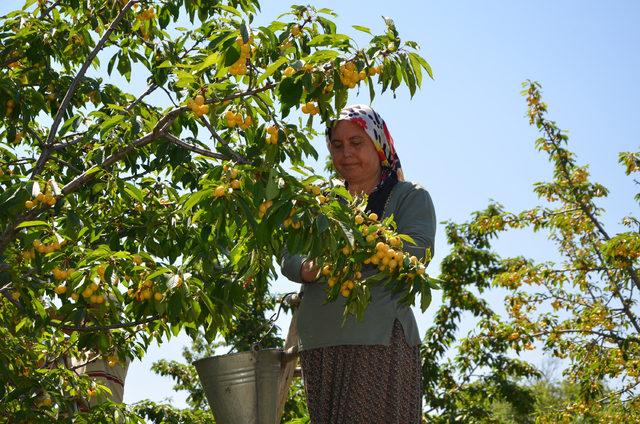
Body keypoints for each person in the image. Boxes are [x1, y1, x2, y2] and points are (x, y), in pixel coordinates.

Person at [280, 104, 436, 424]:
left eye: (356, 142)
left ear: (378, 145)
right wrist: (313, 266)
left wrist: (354, 248)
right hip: (321, 343)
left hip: (378, 340)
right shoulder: (319, 202)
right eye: (337, 145)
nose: (346, 153)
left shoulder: (409, 197)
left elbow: (416, 253)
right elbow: (290, 257)